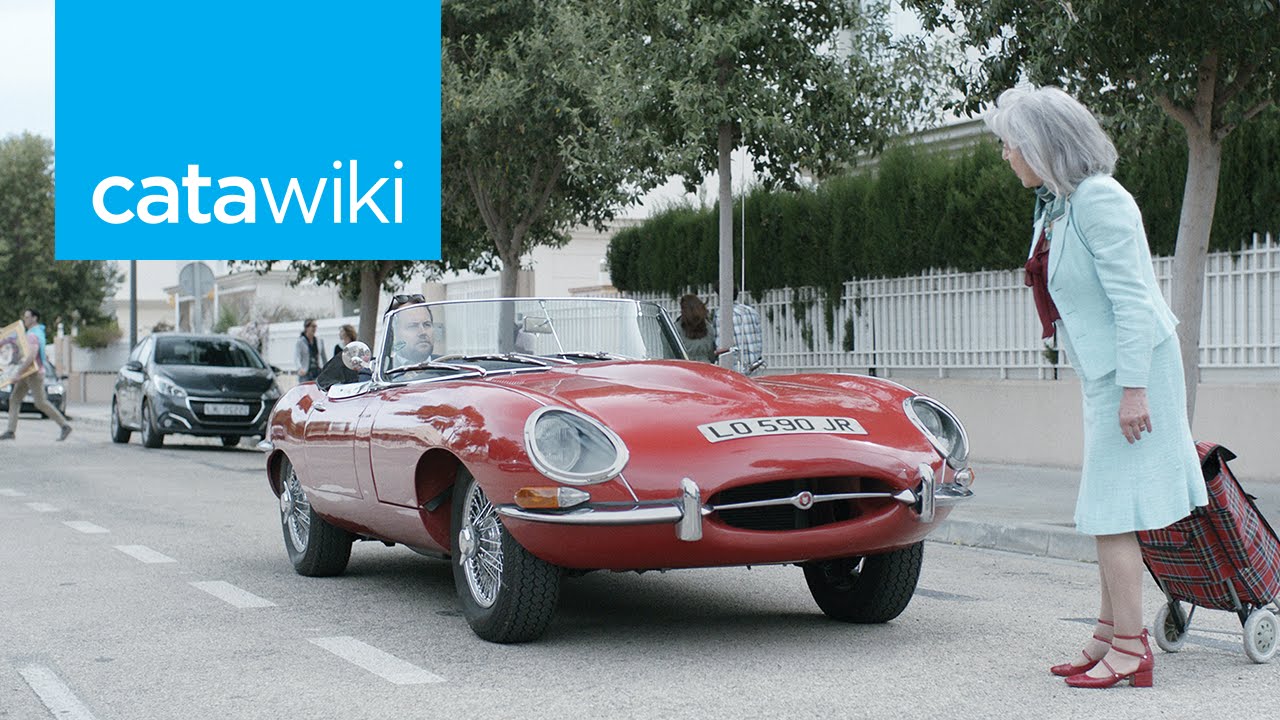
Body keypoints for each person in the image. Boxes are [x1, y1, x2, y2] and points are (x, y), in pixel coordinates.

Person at [987, 86, 1208, 689]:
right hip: (1107, 373)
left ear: (1041, 145)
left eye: (1010, 143)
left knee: (1112, 510)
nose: (1005, 154)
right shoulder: (1062, 203)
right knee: (1111, 506)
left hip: (1134, 372)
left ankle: (1131, 649)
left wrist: (1134, 390)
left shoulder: (1099, 199)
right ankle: (1109, 636)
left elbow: (1133, 300)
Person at [1, 309, 72, 441]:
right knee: (14, 399)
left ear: (34, 318)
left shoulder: (34, 335)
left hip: (33, 373)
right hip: (27, 373)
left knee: (40, 402)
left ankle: (64, 425)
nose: (25, 320)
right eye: (25, 317)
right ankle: (10, 431)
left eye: (27, 317)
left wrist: (18, 373)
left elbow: (31, 356)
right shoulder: (32, 333)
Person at [711, 301, 764, 374]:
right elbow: (759, 337)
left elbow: (718, 343)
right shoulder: (751, 311)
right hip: (755, 365)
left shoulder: (720, 314)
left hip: (735, 368)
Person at [676, 295, 716, 363]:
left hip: (684, 366)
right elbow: (711, 355)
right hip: (705, 365)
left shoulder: (676, 329)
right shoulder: (708, 327)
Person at [293, 319, 325, 383]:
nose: (314, 328)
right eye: (313, 326)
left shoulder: (319, 341)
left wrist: (326, 368)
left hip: (317, 372)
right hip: (305, 373)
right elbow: (297, 357)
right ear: (306, 328)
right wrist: (300, 368)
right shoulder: (300, 342)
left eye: (315, 326)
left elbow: (324, 357)